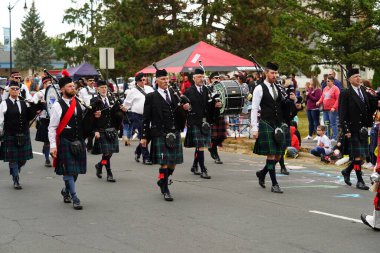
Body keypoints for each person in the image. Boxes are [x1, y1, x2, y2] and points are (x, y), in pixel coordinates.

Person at [48, 70, 101, 210]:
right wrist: (53, 146)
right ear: (62, 89)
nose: (73, 88)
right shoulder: (57, 106)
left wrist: (95, 114)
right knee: (68, 171)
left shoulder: (78, 102)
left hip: (78, 141)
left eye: (73, 86)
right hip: (65, 141)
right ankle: (74, 196)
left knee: (75, 171)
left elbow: (85, 119)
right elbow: (52, 128)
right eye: (70, 86)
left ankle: (65, 191)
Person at [141, 68, 190, 201]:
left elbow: (179, 112)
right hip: (160, 133)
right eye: (163, 79)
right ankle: (165, 189)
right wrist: (144, 136)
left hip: (174, 132)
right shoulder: (151, 97)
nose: (166, 81)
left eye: (167, 79)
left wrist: (184, 108)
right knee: (164, 163)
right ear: (156, 81)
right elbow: (146, 118)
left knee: (173, 163)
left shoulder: (174, 94)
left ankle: (163, 180)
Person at [251, 62, 297, 193]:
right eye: (272, 73)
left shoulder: (278, 87)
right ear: (266, 73)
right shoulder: (259, 88)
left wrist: (294, 102)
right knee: (271, 155)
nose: (274, 75)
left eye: (276, 73)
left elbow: (283, 105)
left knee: (277, 156)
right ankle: (274, 184)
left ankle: (262, 173)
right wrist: (254, 127)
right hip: (266, 123)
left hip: (278, 124)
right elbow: (254, 109)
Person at [340, 69, 378, 190]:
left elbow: (370, 106)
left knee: (361, 157)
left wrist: (374, 95)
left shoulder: (363, 90)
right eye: (355, 76)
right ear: (350, 79)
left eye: (359, 76)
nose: (358, 78)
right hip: (352, 127)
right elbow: (342, 113)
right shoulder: (345, 93)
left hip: (363, 128)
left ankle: (346, 171)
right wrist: (346, 130)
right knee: (357, 156)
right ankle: (360, 181)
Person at [184, 68, 222, 179]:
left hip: (205, 122)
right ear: (194, 78)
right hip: (195, 121)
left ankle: (195, 165)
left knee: (200, 146)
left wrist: (216, 106)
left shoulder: (207, 90)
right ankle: (203, 169)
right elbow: (185, 108)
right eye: (199, 77)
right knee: (200, 146)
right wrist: (186, 108)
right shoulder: (188, 91)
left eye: (202, 77)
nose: (201, 79)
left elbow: (210, 106)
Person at [0, 81, 37, 189]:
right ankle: (16, 179)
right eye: (13, 88)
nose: (15, 90)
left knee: (22, 159)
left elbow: (29, 117)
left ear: (19, 90)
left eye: (17, 88)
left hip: (24, 133)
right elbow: (0, 120)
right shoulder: (4, 104)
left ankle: (15, 169)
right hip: (10, 134)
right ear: (9, 90)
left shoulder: (23, 102)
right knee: (13, 159)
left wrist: (33, 106)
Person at [91, 80, 122, 182]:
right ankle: (109, 173)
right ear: (97, 89)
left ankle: (99, 165)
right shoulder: (94, 100)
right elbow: (92, 118)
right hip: (101, 129)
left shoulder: (112, 98)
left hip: (111, 128)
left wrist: (120, 108)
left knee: (110, 153)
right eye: (102, 88)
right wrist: (95, 131)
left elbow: (116, 114)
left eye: (105, 87)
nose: (104, 89)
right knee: (107, 152)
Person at [123, 73, 154, 165]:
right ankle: (146, 157)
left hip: (149, 116)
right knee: (143, 135)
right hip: (137, 115)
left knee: (149, 136)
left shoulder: (150, 89)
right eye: (141, 80)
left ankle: (138, 151)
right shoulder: (132, 91)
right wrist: (123, 109)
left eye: (144, 79)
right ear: (137, 81)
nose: (143, 81)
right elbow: (127, 104)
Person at [33, 76, 54, 167]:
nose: (49, 84)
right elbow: (33, 104)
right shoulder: (39, 94)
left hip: (54, 119)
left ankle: (53, 156)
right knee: (47, 141)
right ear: (44, 84)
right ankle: (47, 159)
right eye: (48, 83)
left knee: (54, 140)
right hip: (44, 119)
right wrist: (38, 107)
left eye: (51, 83)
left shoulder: (55, 93)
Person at [207, 72, 227, 164]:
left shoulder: (222, 89)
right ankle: (215, 155)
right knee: (214, 137)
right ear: (211, 80)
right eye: (215, 78)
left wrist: (222, 104)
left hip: (220, 115)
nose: (217, 79)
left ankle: (212, 148)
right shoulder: (207, 89)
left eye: (219, 78)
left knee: (222, 136)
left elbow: (225, 101)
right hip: (211, 116)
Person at [316, 76, 340, 141]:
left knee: (333, 123)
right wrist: (319, 101)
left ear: (332, 82)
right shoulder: (325, 88)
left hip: (332, 110)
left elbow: (338, 99)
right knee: (326, 123)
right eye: (326, 81)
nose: (327, 82)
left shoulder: (336, 89)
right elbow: (322, 97)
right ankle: (327, 137)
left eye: (328, 81)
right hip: (325, 109)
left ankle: (335, 138)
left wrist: (334, 107)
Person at [78, 77, 98, 151]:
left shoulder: (96, 89)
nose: (92, 82)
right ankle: (83, 144)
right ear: (86, 81)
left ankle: (90, 145)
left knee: (94, 129)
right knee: (87, 130)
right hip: (86, 112)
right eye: (90, 80)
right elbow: (80, 101)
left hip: (95, 111)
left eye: (93, 80)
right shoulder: (83, 90)